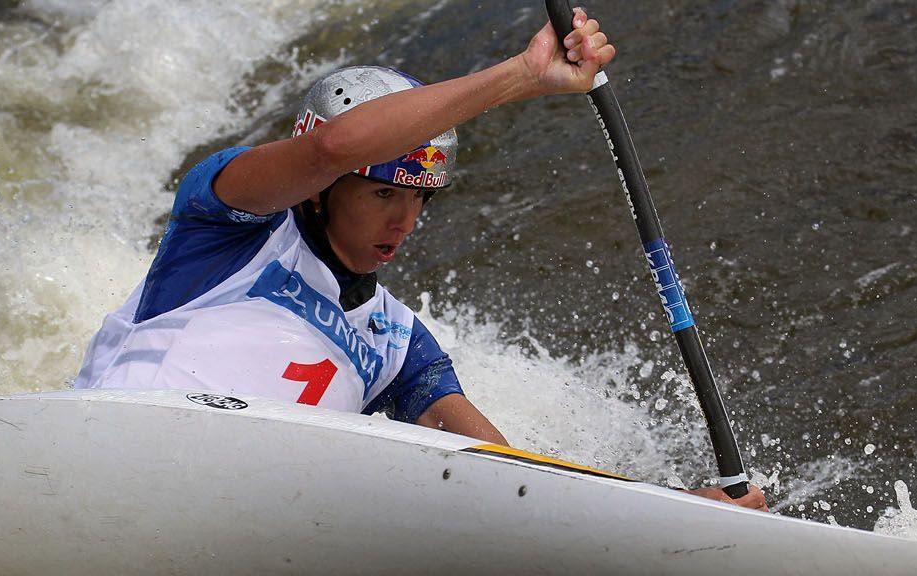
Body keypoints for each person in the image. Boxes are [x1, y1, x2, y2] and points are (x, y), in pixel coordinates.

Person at [74, 8, 768, 511]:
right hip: (108, 450)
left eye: (419, 198)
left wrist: (682, 514)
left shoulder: (397, 341)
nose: (404, 220)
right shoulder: (227, 223)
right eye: (383, 193)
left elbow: (513, 480)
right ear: (322, 191)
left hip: (238, 512)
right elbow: (332, 148)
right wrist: (524, 75)